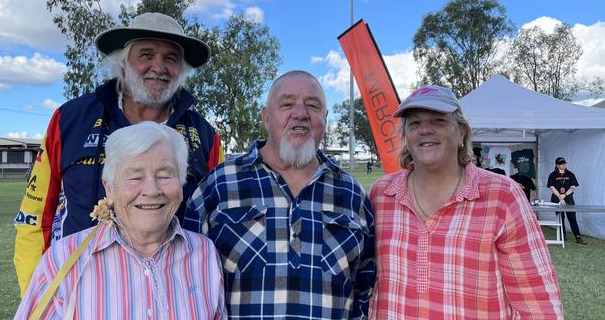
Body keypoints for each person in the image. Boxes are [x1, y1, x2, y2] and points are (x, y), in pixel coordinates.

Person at [13, 12, 224, 296]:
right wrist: (41, 297)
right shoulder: (69, 120)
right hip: (80, 295)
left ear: (181, 70)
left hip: (175, 297)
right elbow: (34, 220)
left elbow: (218, 226)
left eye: (171, 58)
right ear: (123, 62)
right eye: (146, 54)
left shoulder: (206, 138)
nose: (158, 67)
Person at [183, 70, 375, 319]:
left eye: (313, 106)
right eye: (287, 104)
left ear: (325, 119)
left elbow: (365, 285)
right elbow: (186, 275)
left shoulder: (351, 193)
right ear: (266, 117)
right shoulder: (219, 185)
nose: (301, 114)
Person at [369, 85, 563, 319]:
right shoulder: (381, 194)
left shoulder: (502, 195)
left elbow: (537, 299)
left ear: (461, 132)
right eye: (414, 123)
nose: (425, 130)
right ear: (406, 137)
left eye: (438, 120)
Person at [15, 122, 226, 319]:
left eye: (164, 175)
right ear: (109, 188)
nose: (151, 190)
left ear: (181, 186)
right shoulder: (61, 261)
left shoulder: (205, 255)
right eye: (135, 176)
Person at [547, 157, 586, 244]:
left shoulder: (570, 174)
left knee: (572, 217)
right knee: (560, 218)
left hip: (568, 198)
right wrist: (559, 196)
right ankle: (563, 237)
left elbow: (572, 187)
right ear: (557, 165)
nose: (563, 165)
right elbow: (551, 187)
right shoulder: (552, 175)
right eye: (561, 163)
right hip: (556, 198)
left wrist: (564, 195)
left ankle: (578, 237)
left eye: (564, 163)